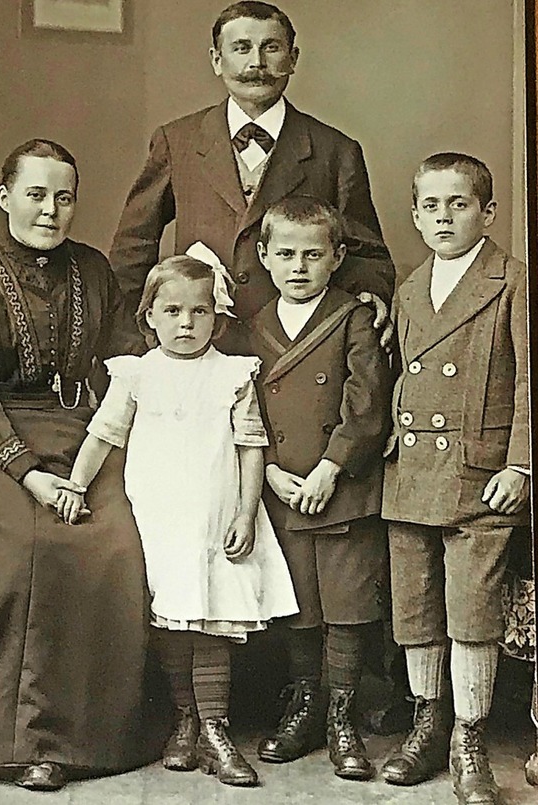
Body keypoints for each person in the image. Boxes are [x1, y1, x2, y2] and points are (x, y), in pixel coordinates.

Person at [0, 139, 163, 791]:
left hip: (84, 434)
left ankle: (93, 736)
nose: (51, 210)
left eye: (64, 197)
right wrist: (28, 472)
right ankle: (23, 740)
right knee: (29, 543)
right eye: (37, 194)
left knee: (116, 543)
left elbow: (126, 360)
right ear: (6, 197)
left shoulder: (96, 272)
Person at [58, 253, 299, 787]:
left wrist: (244, 512)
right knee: (171, 619)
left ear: (217, 317)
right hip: (158, 518)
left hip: (214, 518)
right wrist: (75, 483)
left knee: (212, 619)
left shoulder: (233, 374)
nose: (186, 323)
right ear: (149, 316)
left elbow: (251, 447)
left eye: (200, 311)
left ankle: (216, 728)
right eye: (172, 311)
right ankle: (184, 720)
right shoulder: (137, 374)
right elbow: (103, 435)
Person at [109, 1, 395, 346]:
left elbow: (366, 254)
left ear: (293, 58)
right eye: (241, 48)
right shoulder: (177, 140)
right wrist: (136, 340)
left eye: (271, 48)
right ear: (217, 60)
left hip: (295, 345)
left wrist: (369, 294)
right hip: (200, 345)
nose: (256, 64)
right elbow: (133, 247)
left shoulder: (336, 150)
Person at [381, 153, 530, 805]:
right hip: (412, 473)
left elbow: (530, 378)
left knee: (471, 611)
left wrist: (521, 462)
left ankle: (470, 738)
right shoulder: (410, 288)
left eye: (459, 204)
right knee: (416, 608)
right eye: (431, 206)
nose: (445, 217)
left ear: (488, 212)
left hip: (481, 473)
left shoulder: (513, 281)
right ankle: (427, 722)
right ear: (415, 215)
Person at [248, 197, 392, 780]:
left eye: (313, 254)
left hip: (343, 489)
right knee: (301, 605)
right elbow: (246, 408)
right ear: (264, 256)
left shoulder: (354, 317)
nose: (299, 266)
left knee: (348, 605)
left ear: (338, 257)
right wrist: (272, 472)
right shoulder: (250, 327)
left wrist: (331, 468)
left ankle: (341, 713)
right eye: (285, 254)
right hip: (284, 488)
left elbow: (366, 404)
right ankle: (306, 707)